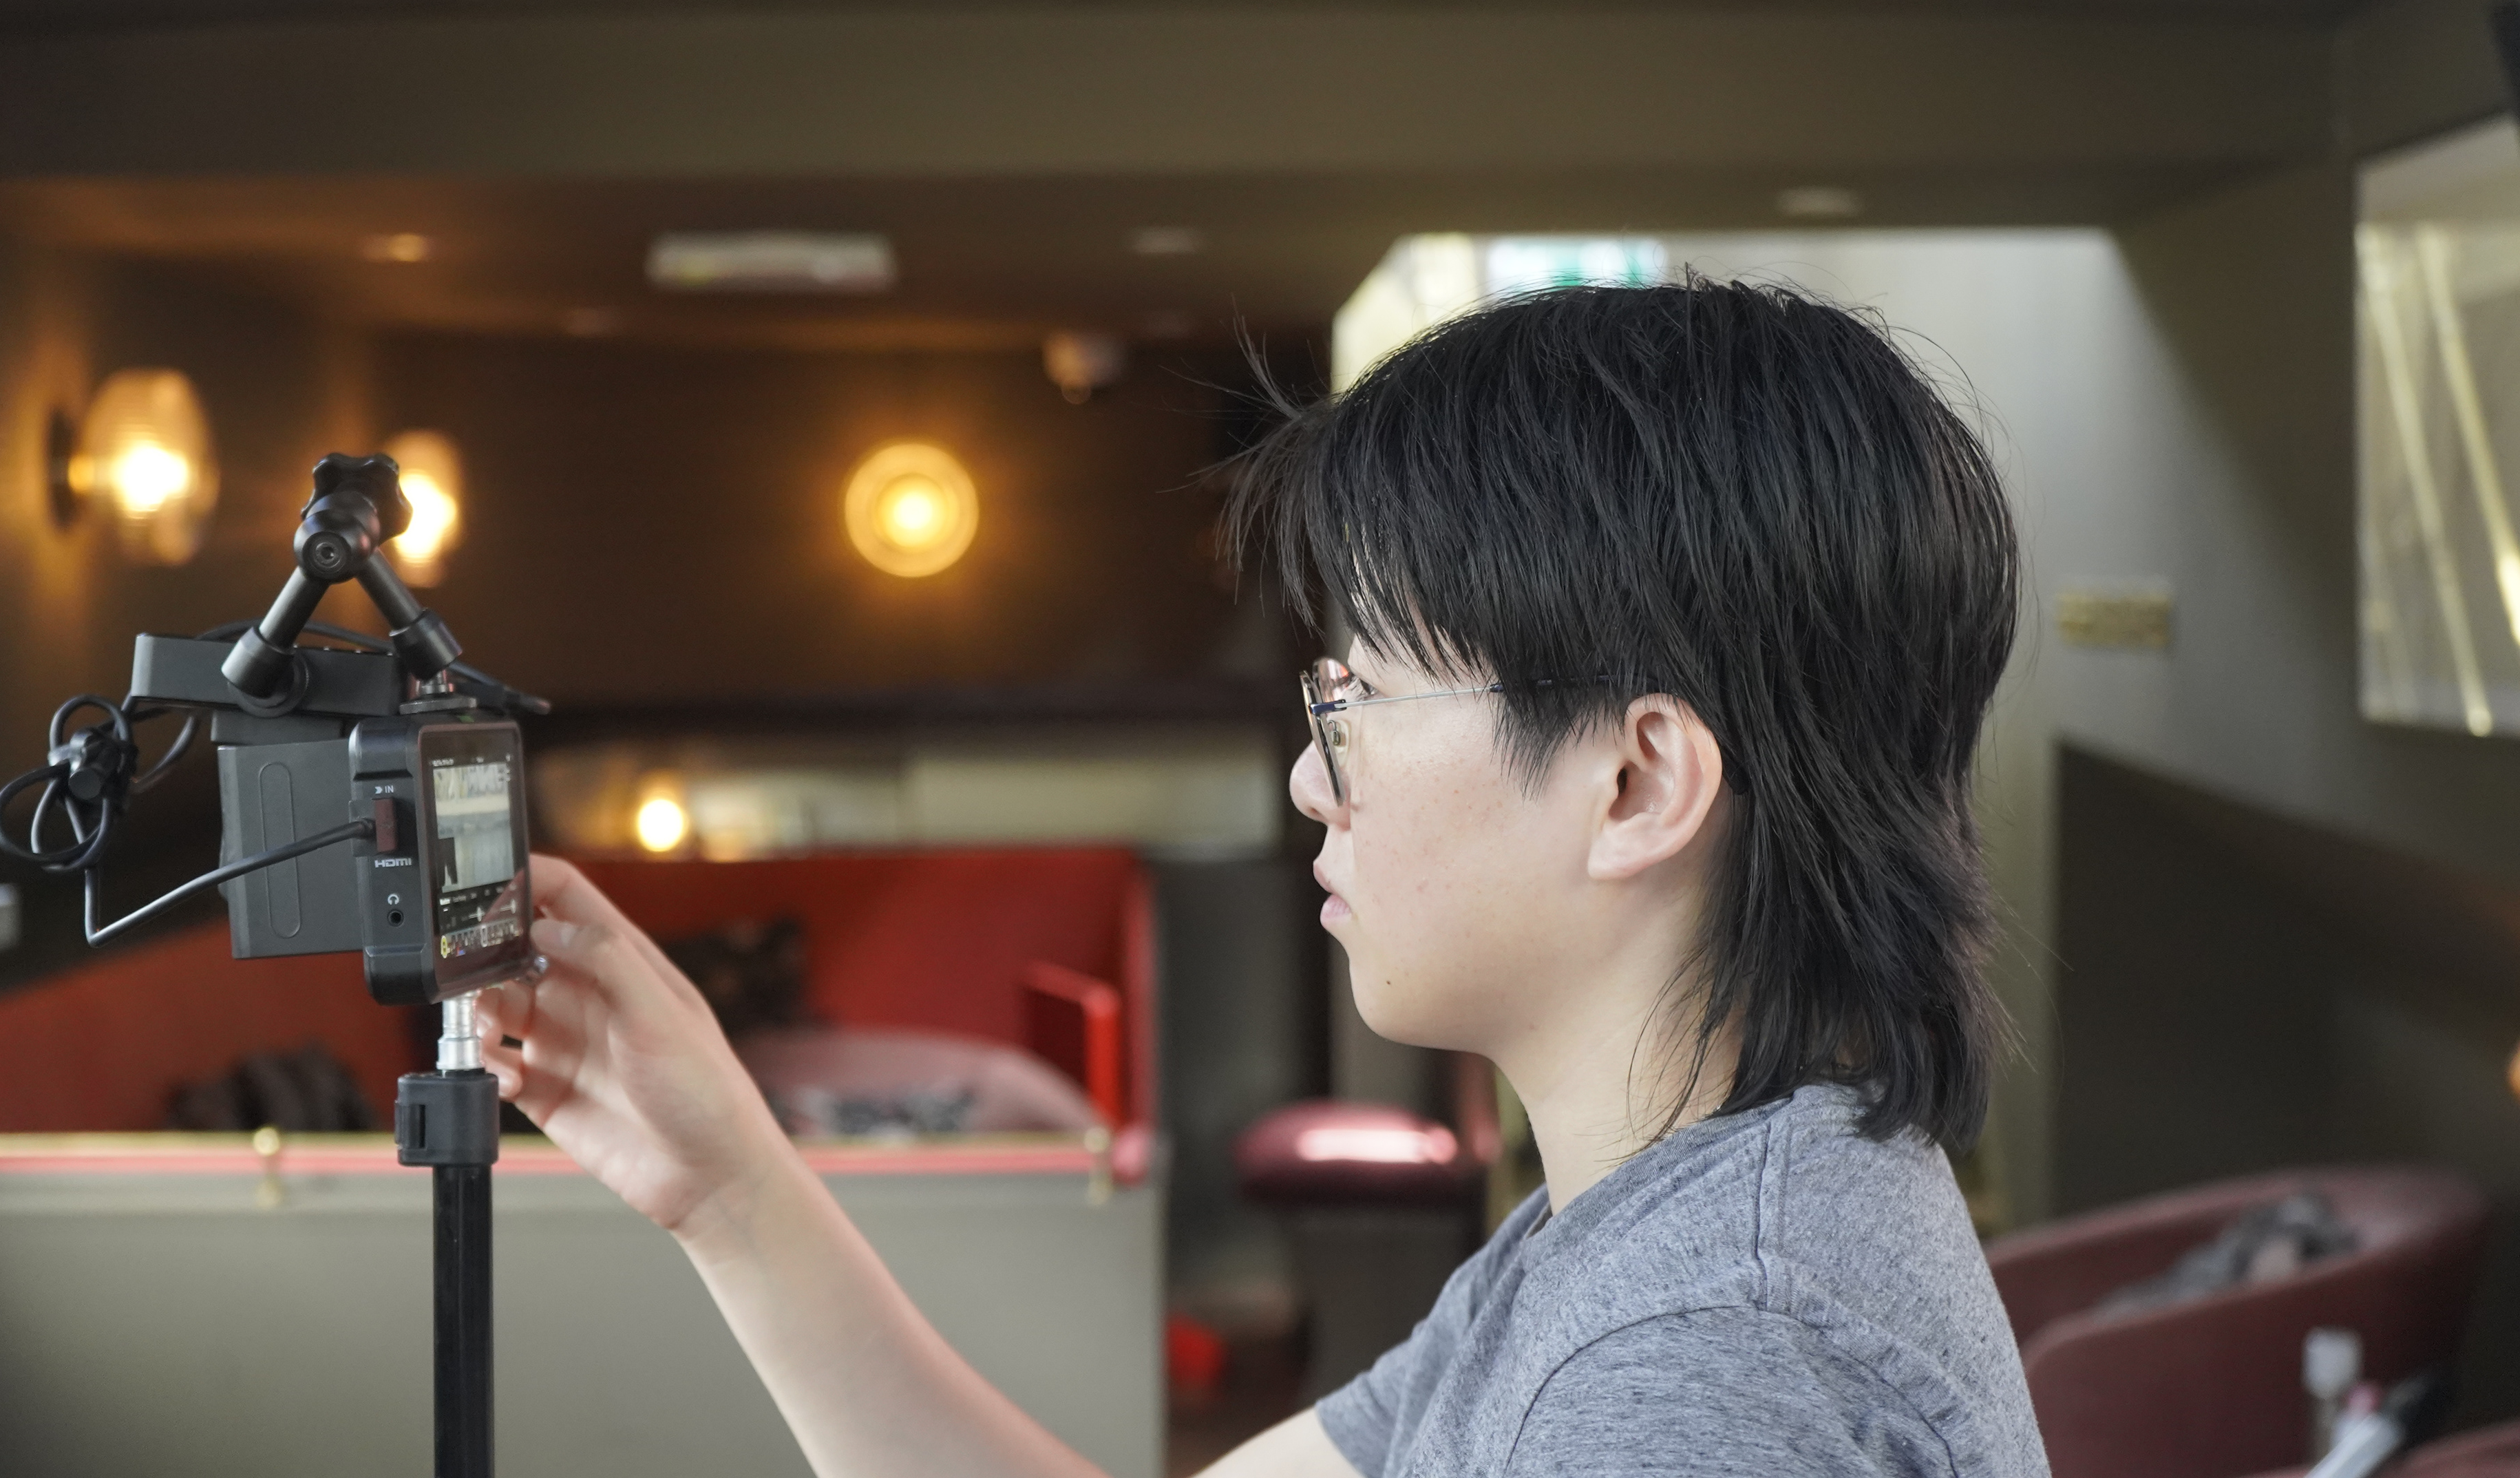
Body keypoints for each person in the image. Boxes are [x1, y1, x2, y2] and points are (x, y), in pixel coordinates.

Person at [476, 278, 2048, 1477]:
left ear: (1635, 782)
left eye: (1359, 698)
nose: (1312, 776)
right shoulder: (1634, 1236)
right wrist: (733, 1191)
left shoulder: (1700, 1367)